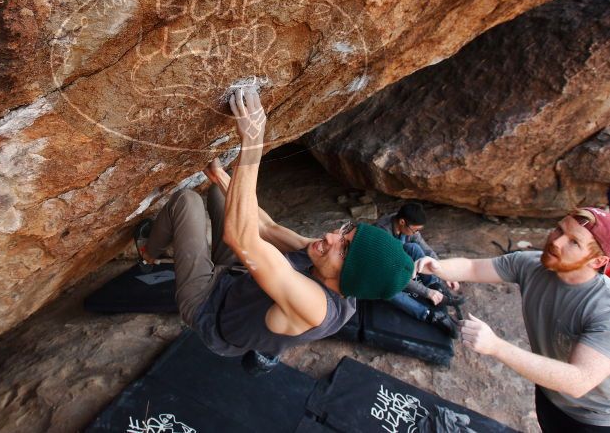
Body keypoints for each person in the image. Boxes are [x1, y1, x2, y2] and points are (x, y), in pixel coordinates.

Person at [138, 87, 414, 363]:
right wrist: (220, 177)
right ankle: (203, 216)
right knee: (220, 196)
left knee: (187, 202)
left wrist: (253, 144)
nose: (331, 237)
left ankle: (149, 253)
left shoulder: (316, 308)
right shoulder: (324, 260)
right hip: (235, 282)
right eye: (344, 233)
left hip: (210, 310)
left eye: (343, 249)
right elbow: (268, 228)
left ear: (349, 277)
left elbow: (241, 239)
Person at [416, 207, 610, 432]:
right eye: (559, 229)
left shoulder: (603, 308)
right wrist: (438, 267)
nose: (556, 241)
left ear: (597, 261)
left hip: (594, 418)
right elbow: (473, 267)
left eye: (574, 242)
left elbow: (579, 380)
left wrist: (496, 346)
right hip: (549, 395)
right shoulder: (532, 265)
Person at [374, 204, 462, 337]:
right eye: (415, 230)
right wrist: (426, 293)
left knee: (415, 247)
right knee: (389, 289)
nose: (416, 233)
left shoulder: (405, 226)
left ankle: (436, 287)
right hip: (378, 272)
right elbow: (397, 276)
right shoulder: (381, 234)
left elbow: (426, 250)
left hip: (396, 257)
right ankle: (430, 315)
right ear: (402, 222)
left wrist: (444, 272)